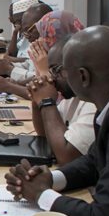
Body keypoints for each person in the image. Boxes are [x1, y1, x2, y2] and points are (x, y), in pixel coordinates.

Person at [5, 26, 109, 216]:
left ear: (83, 76)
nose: (52, 78)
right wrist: (50, 179)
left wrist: (41, 195)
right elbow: (94, 161)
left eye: (59, 71)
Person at [26, 34, 96, 165]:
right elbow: (45, 134)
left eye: (56, 70)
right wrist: (37, 102)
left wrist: (46, 101)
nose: (52, 78)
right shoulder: (73, 95)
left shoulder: (94, 104)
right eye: (50, 71)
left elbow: (67, 158)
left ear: (81, 73)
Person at [0, 2, 54, 99]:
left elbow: (42, 90)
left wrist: (9, 79)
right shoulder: (39, 42)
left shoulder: (56, 51)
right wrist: (9, 68)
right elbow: (30, 66)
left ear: (45, 25)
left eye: (29, 29)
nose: (26, 34)